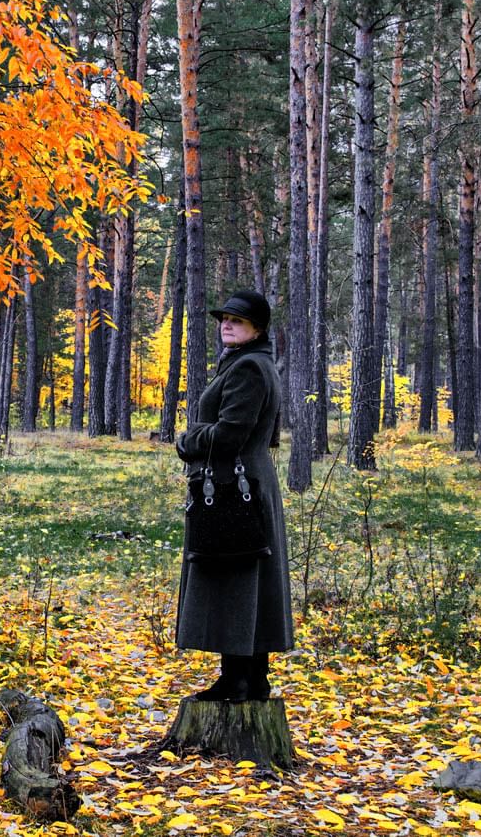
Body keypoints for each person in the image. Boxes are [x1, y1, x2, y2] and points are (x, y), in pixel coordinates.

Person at [174, 289, 294, 701]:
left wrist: (188, 440)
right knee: (243, 578)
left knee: (236, 578)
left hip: (234, 487)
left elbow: (230, 435)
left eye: (237, 320)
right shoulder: (249, 363)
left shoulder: (248, 369)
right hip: (243, 483)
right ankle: (247, 678)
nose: (226, 324)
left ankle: (239, 679)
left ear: (258, 328)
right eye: (224, 318)